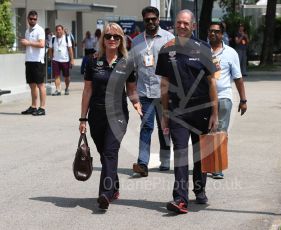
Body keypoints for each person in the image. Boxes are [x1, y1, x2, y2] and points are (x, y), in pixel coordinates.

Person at [156, 9, 218, 214]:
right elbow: (164, 84)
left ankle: (199, 190)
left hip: (201, 109)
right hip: (177, 110)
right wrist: (165, 113)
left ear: (193, 26)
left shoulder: (203, 48)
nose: (181, 26)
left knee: (199, 155)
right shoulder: (166, 49)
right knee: (180, 153)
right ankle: (180, 199)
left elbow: (211, 82)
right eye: (179, 23)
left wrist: (215, 112)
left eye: (186, 23)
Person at [79, 22, 142, 210]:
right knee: (104, 153)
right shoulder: (92, 60)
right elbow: (87, 90)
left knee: (109, 151)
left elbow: (131, 89)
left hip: (118, 114)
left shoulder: (127, 61)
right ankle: (113, 186)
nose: (112, 39)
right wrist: (83, 118)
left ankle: (105, 194)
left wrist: (136, 103)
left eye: (116, 36)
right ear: (103, 39)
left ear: (121, 39)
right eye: (108, 36)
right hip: (96, 114)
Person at [130, 6, 175, 177]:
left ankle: (164, 160)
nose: (150, 22)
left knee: (165, 128)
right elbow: (131, 69)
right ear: (144, 21)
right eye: (147, 19)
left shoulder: (169, 39)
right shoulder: (136, 42)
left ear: (158, 19)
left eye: (153, 19)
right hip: (144, 92)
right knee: (146, 127)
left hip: (164, 92)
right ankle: (143, 163)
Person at [208, 22, 247, 179]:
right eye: (210, 31)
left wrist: (243, 99)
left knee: (220, 131)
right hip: (204, 99)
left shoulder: (231, 53)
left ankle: (218, 166)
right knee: (207, 132)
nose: (213, 34)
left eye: (216, 32)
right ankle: (208, 163)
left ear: (222, 34)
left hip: (223, 96)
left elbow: (238, 78)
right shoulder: (201, 51)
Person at [20, 10, 46, 116]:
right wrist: (25, 44)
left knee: (40, 85)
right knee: (32, 85)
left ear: (37, 19)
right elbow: (29, 45)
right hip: (29, 60)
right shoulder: (27, 31)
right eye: (31, 19)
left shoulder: (40, 30)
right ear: (28, 19)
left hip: (37, 61)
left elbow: (41, 44)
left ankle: (42, 108)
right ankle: (33, 106)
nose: (33, 20)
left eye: (34, 19)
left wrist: (28, 43)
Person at [48, 25, 74, 96]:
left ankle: (67, 88)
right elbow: (50, 48)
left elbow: (70, 49)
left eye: (60, 30)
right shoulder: (53, 38)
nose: (58, 31)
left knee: (66, 76)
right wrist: (51, 56)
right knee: (56, 75)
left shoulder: (66, 38)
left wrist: (72, 59)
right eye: (57, 30)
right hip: (55, 60)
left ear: (62, 30)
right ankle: (58, 90)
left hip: (65, 60)